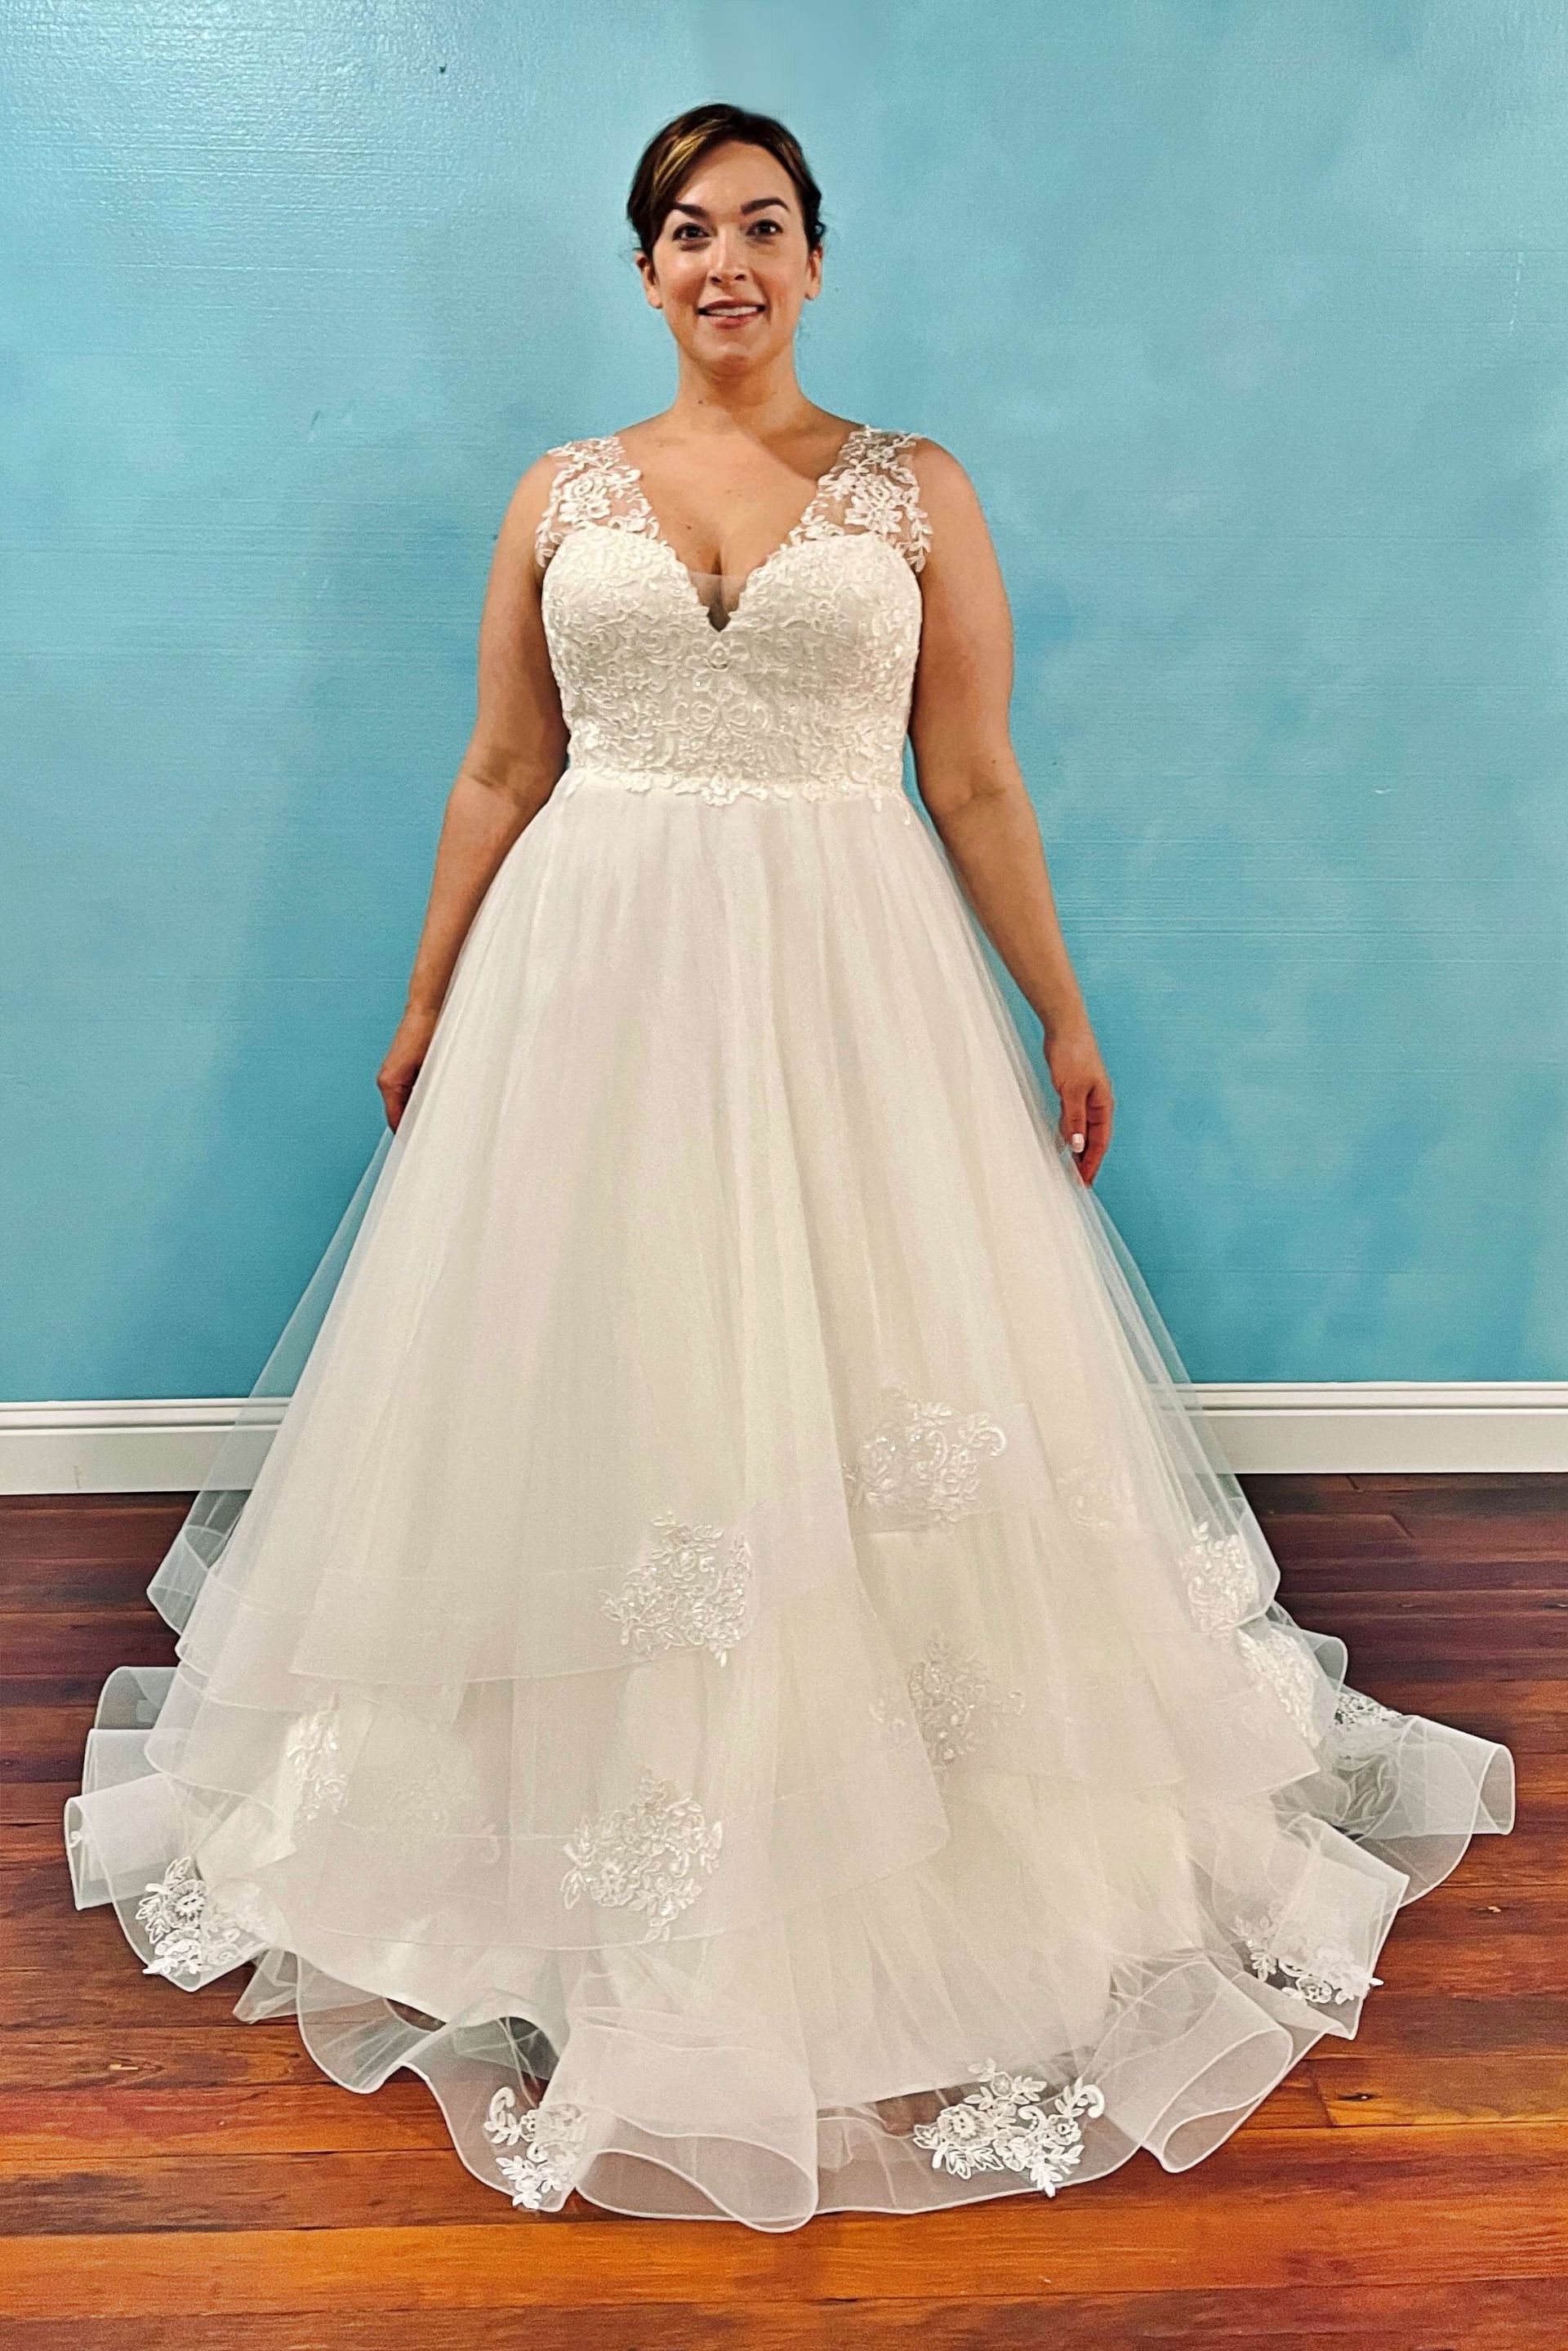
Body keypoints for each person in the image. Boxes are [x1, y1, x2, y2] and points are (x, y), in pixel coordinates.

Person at [64, 102, 1515, 2233]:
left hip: (850, 981)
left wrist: (1063, 1006)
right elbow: (499, 762)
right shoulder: (560, 496)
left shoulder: (914, 492)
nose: (720, 258)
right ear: (643, 271)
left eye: (758, 224)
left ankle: (878, 1809)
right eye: (681, 229)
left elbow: (976, 771)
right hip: (594, 979)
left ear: (815, 258)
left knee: (865, 1378)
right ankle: (568, 1805)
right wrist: (426, 988)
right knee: (601, 1381)